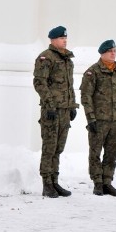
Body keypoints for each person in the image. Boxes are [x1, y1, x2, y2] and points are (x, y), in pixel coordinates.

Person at [80, 39, 116, 197]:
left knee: (112, 153)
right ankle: (97, 183)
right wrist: (90, 119)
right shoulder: (93, 72)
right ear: (102, 53)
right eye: (110, 51)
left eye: (115, 50)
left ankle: (107, 182)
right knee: (95, 152)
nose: (113, 53)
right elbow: (86, 97)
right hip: (99, 120)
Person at [33, 25, 79, 198]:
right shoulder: (46, 57)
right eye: (61, 38)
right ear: (53, 40)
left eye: (66, 38)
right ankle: (46, 184)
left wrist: (72, 106)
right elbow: (39, 83)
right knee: (49, 148)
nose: (65, 40)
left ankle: (55, 181)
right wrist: (50, 105)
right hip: (51, 111)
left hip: (65, 110)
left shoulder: (68, 60)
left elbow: (70, 86)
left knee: (58, 148)